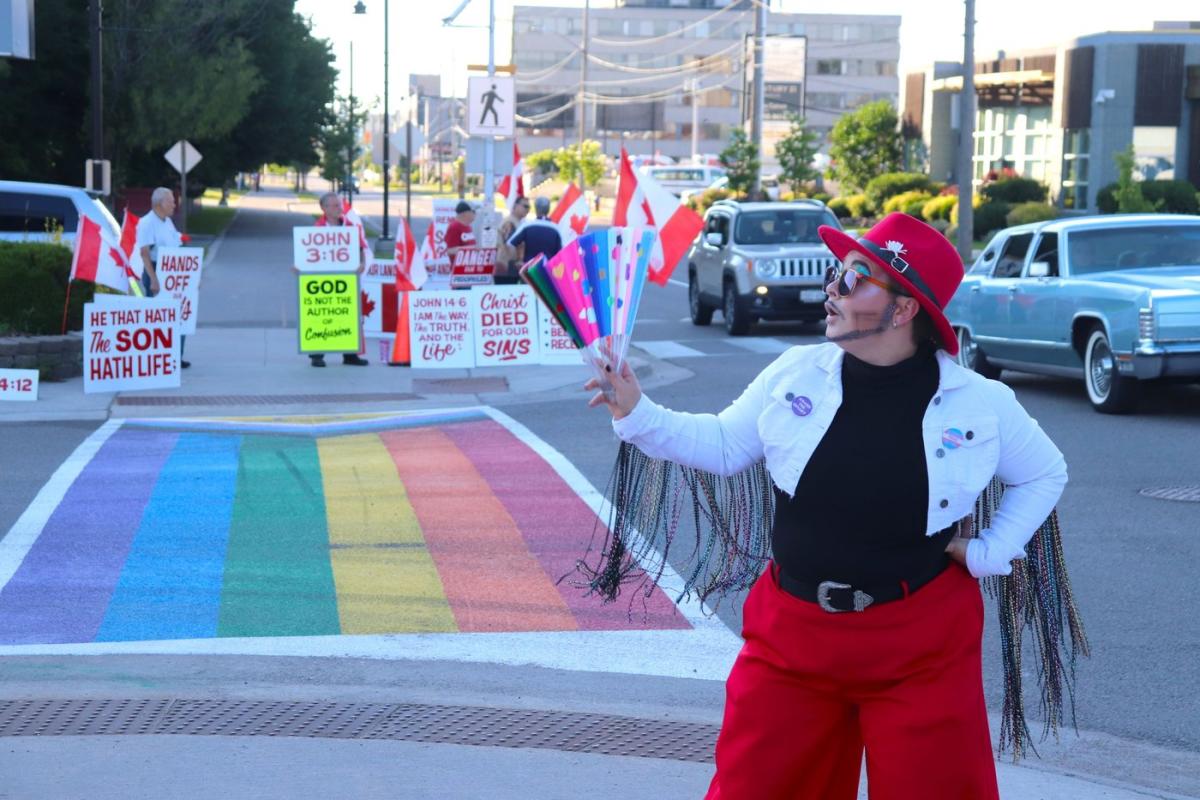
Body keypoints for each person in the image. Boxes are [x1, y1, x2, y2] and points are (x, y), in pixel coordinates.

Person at [585, 213, 1071, 799]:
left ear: (904, 309)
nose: (832, 291)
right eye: (835, 274)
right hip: (791, 635)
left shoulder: (979, 402)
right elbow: (720, 443)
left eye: (854, 279)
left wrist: (990, 551)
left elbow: (1045, 472)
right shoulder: (798, 373)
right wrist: (635, 410)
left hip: (921, 644)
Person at [309, 191, 369, 367]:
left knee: (349, 314)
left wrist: (362, 263)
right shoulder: (317, 229)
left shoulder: (350, 227)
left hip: (347, 278)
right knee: (322, 315)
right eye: (335, 205)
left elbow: (360, 248)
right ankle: (316, 354)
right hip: (324, 280)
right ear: (324, 208)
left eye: (340, 205)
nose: (339, 209)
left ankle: (350, 354)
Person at [135, 187, 189, 369]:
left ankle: (176, 356)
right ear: (159, 203)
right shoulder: (147, 223)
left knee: (179, 315)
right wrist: (154, 279)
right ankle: (158, 358)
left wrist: (190, 277)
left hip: (173, 271)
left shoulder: (168, 222)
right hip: (157, 271)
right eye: (171, 201)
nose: (175, 204)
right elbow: (144, 254)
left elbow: (177, 245)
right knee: (158, 318)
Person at [507, 196, 562, 265]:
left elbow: (510, 243)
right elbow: (561, 252)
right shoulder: (557, 228)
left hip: (529, 269)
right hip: (549, 270)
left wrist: (518, 260)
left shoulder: (527, 226)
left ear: (536, 209)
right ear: (548, 209)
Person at [494, 196, 530, 284]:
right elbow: (509, 246)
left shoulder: (517, 222)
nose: (527, 209)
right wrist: (518, 261)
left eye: (529, 207)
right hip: (506, 270)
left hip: (510, 269)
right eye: (525, 206)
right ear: (515, 206)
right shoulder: (510, 222)